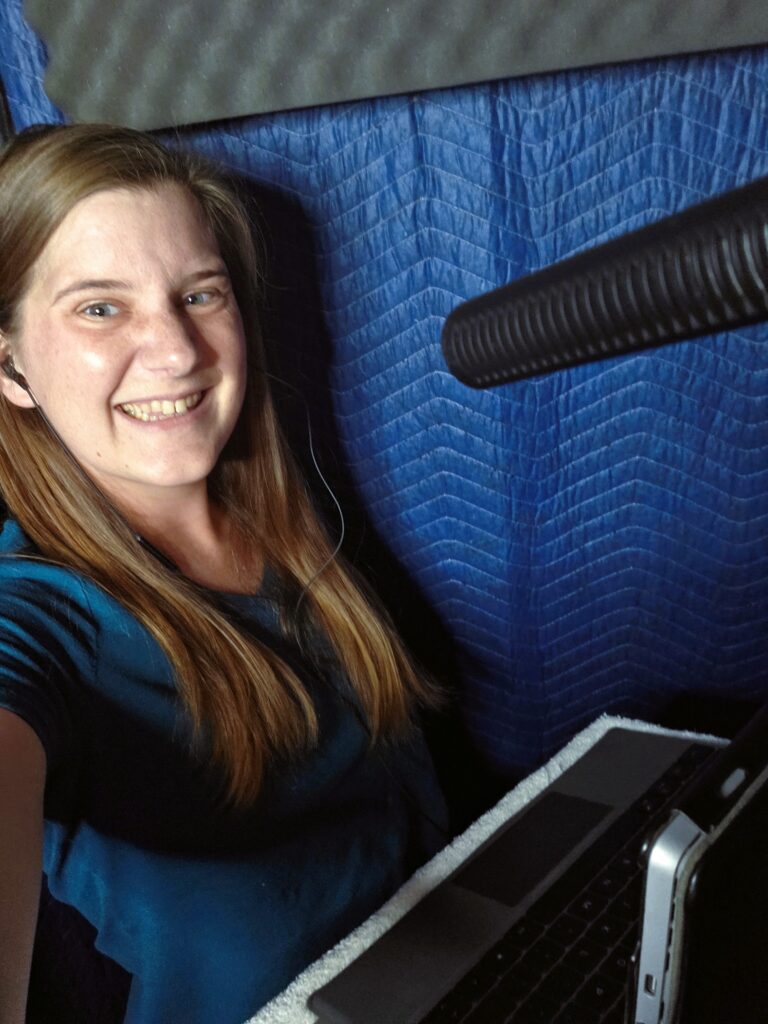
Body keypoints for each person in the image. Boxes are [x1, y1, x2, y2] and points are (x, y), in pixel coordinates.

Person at [0, 123, 448, 1024]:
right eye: (100, 309)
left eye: (199, 294)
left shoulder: (283, 526)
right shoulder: (41, 616)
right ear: (9, 365)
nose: (177, 351)